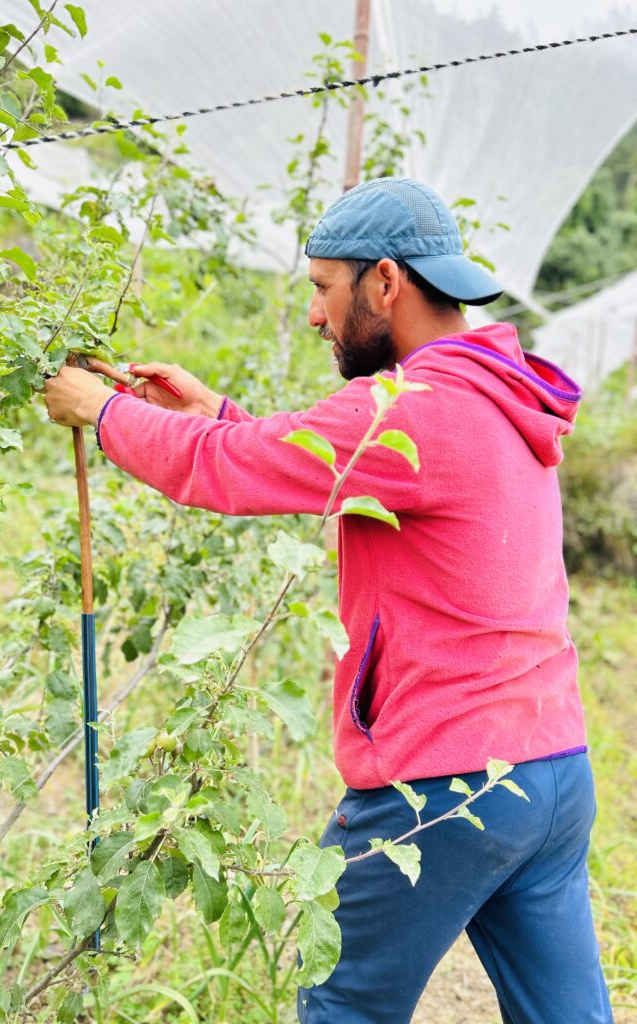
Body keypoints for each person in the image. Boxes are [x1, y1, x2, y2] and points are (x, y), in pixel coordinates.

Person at [44, 178, 613, 1024]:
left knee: (343, 1006)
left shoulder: (408, 409)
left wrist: (104, 414)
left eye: (322, 288)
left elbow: (228, 470)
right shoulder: (497, 391)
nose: (315, 314)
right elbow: (336, 464)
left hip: (442, 779)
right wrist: (216, 412)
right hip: (550, 772)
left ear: (385, 282)